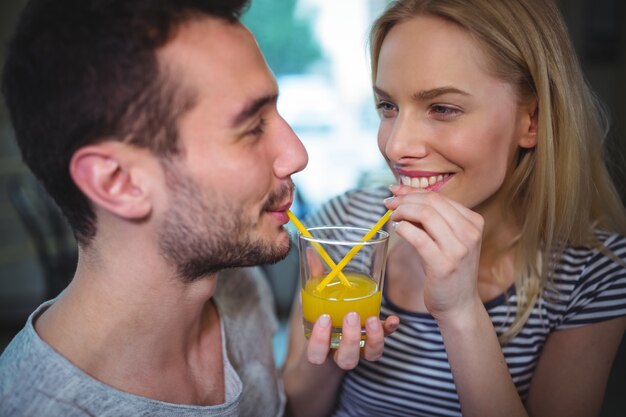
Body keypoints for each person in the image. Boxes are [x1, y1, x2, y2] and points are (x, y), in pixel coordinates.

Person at [0, 1, 390, 416]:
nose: (297, 153)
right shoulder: (35, 407)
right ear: (119, 181)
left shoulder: (238, 288)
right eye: (251, 126)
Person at [283, 0, 626, 416]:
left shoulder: (593, 276)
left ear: (531, 120)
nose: (396, 147)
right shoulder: (341, 227)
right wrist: (336, 350)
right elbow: (301, 407)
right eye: (388, 106)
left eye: (442, 109)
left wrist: (461, 312)